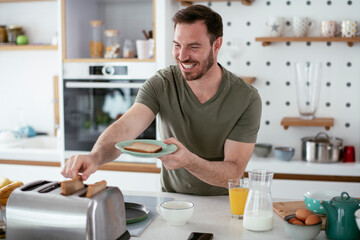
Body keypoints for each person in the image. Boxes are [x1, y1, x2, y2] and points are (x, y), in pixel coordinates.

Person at [61, 5, 262, 196]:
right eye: (177, 45)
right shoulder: (161, 83)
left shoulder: (246, 98)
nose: (182, 56)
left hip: (223, 204)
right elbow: (125, 128)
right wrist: (95, 156)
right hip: (171, 202)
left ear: (216, 45)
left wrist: (189, 161)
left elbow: (234, 172)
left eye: (193, 47)